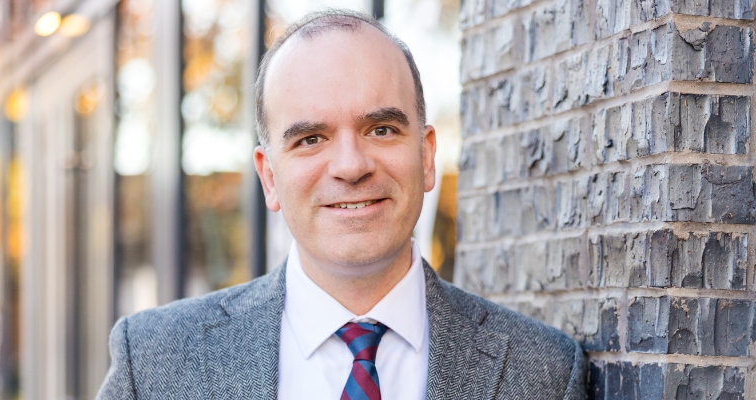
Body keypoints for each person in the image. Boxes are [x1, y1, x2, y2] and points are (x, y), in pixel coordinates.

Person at [97, 9, 586, 400]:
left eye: (381, 129)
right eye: (311, 139)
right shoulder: (157, 363)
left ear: (427, 155)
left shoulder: (541, 371)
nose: (351, 166)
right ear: (269, 176)